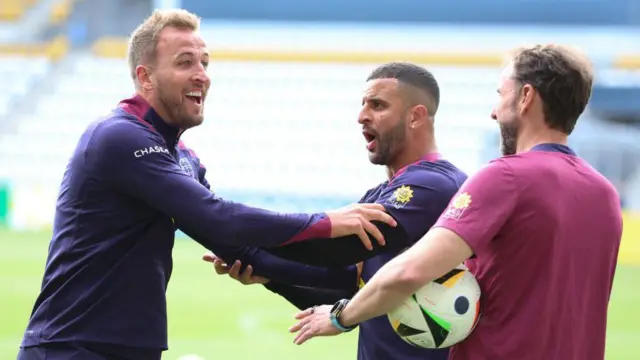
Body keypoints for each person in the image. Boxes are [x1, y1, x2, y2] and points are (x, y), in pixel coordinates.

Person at [16, 9, 397, 360]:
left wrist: (362, 294)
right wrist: (327, 221)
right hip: (69, 345)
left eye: (204, 62)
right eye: (185, 63)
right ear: (145, 77)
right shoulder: (117, 137)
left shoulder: (181, 157)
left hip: (130, 348)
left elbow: (241, 248)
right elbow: (220, 219)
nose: (202, 74)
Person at [289, 44, 623, 360]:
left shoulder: (505, 177)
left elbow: (409, 273)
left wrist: (340, 317)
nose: (494, 112)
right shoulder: (605, 194)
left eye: (500, 95)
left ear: (525, 98)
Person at [204, 62, 468, 360]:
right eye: (363, 105)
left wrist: (226, 229)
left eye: (377, 105)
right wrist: (268, 274)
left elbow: (337, 251)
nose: (362, 116)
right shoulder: (381, 194)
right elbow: (349, 292)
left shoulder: (433, 186)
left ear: (415, 116)